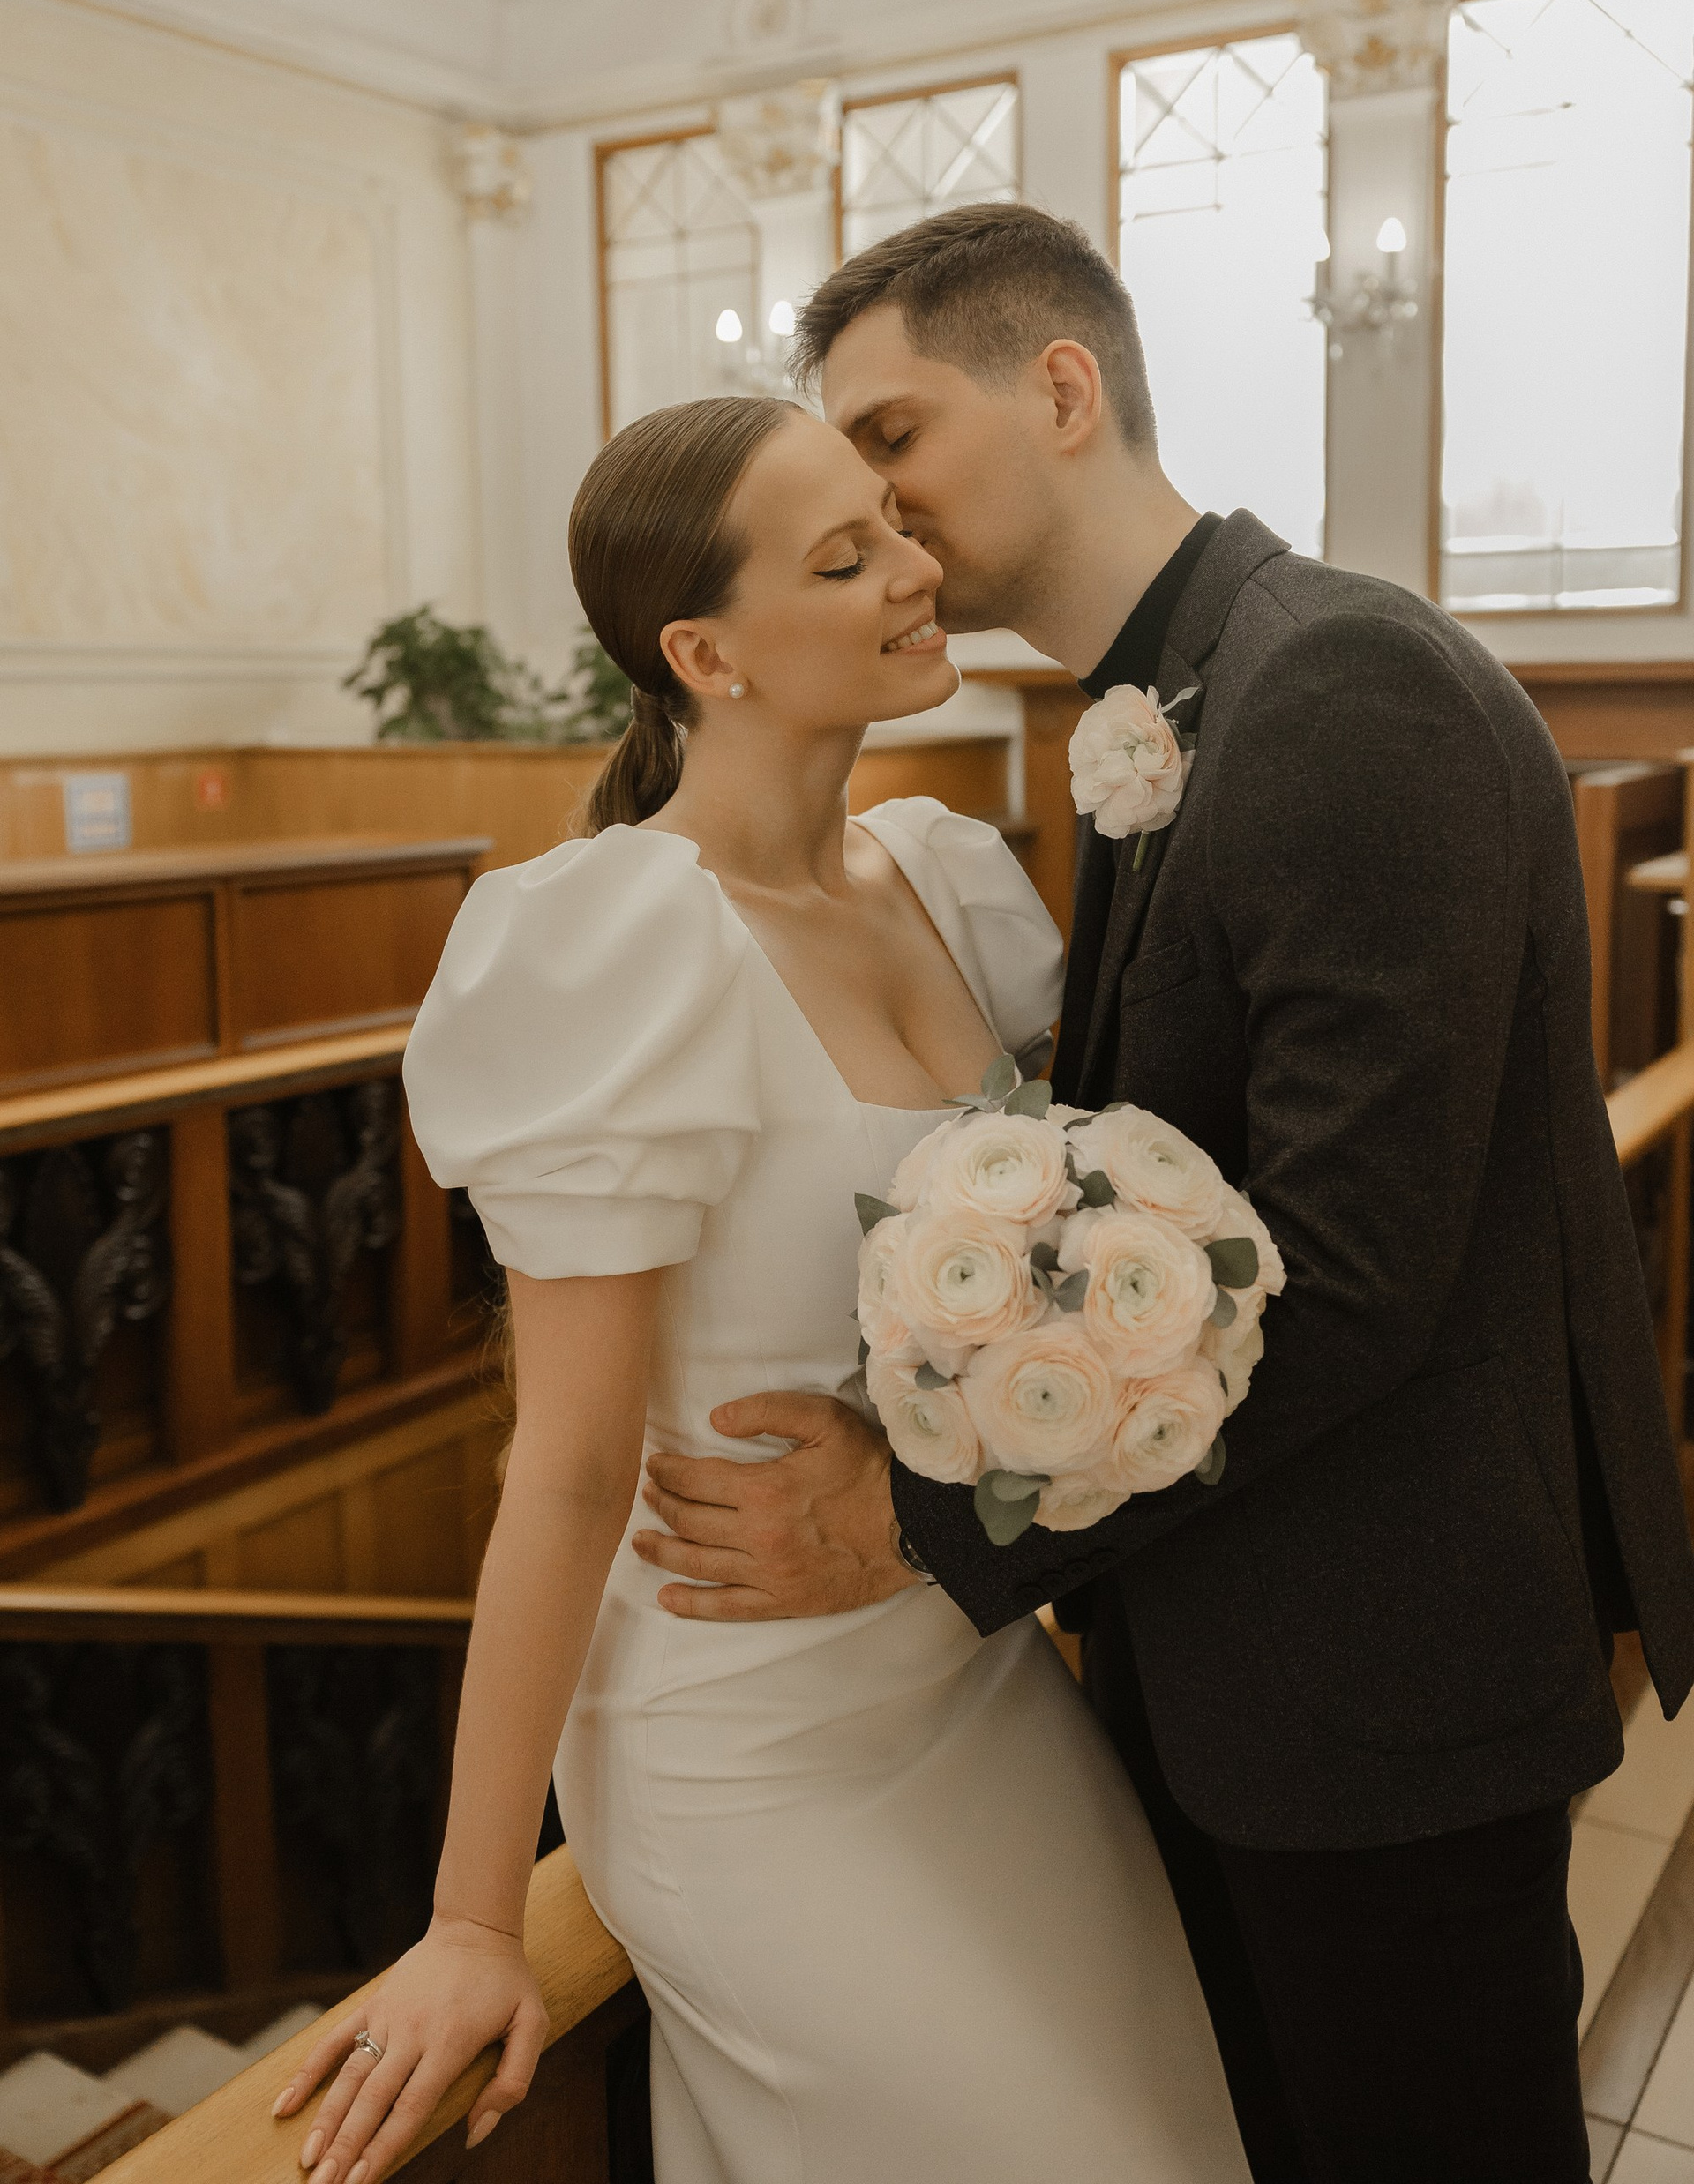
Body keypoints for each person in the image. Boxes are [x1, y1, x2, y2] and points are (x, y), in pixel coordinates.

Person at [632, 202, 1694, 2184]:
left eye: (894, 436)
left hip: (1376, 1678)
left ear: (1062, 388)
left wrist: (922, 1521)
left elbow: (1345, 1272)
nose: (875, 506)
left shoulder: (1340, 686)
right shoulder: (1179, 706)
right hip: (1245, 1658)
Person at [267, 391, 1251, 2184]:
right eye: (843, 557)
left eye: (894, 526)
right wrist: (474, 1919)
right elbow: (567, 1469)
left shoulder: (942, 877)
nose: (913, 570)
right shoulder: (615, 938)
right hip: (741, 1743)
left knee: (1175, 2129)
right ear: (705, 655)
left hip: (963, 1665)